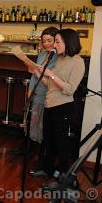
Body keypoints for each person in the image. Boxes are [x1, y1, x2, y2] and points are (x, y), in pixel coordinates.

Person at [30, 29, 85, 180]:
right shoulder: (60, 59)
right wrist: (38, 73)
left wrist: (51, 74)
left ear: (68, 42)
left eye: (58, 41)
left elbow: (69, 89)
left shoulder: (77, 61)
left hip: (63, 106)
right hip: (49, 104)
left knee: (61, 144)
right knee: (49, 141)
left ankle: (62, 178)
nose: (55, 44)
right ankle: (48, 170)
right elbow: (49, 84)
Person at [27, 27, 59, 176]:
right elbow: (35, 77)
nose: (46, 44)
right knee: (34, 126)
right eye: (44, 41)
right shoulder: (42, 54)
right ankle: (36, 158)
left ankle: (43, 162)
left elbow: (51, 82)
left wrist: (38, 71)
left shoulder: (58, 58)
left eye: (49, 41)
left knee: (44, 130)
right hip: (36, 94)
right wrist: (29, 93)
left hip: (48, 97)